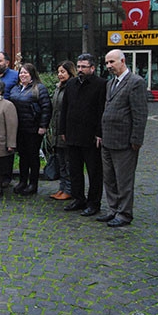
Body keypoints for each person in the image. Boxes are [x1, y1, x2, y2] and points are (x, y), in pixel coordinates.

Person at [98, 49, 148, 227]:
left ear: (123, 61)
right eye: (107, 63)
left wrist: (136, 140)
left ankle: (125, 213)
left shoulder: (136, 82)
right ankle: (113, 209)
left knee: (124, 180)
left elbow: (140, 114)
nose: (109, 66)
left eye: (112, 62)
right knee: (109, 178)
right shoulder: (110, 84)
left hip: (124, 142)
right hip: (108, 140)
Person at [59, 53, 107, 216]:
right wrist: (63, 130)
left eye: (83, 67)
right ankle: (78, 198)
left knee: (94, 172)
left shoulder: (101, 85)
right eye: (78, 66)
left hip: (91, 136)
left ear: (92, 68)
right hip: (72, 134)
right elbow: (65, 108)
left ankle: (94, 203)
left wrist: (99, 133)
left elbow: (102, 111)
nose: (80, 70)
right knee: (75, 170)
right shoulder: (71, 84)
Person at [9, 63, 51, 196]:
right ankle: (22, 181)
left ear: (32, 74)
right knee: (23, 156)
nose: (23, 75)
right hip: (19, 128)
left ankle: (33, 183)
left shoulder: (39, 88)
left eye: (25, 73)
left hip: (33, 129)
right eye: (21, 73)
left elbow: (46, 108)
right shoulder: (16, 88)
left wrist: (43, 126)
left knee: (33, 157)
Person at [49, 61, 77, 201]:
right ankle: (62, 188)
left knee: (67, 162)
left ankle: (69, 189)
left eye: (63, 72)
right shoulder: (58, 88)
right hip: (56, 131)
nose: (60, 74)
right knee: (61, 162)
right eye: (58, 72)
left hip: (66, 132)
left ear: (70, 72)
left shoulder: (71, 88)